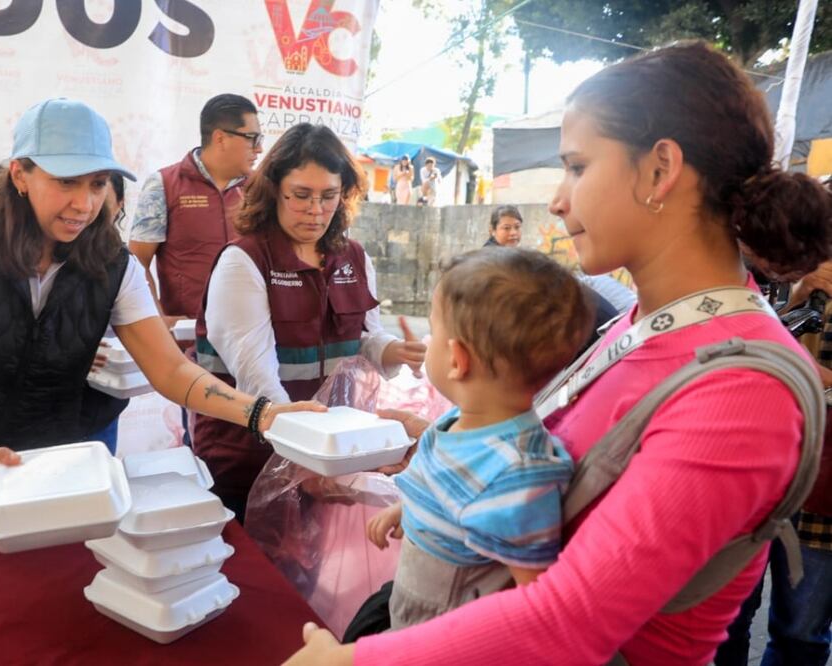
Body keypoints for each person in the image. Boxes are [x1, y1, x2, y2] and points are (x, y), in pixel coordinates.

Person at [282, 42, 832, 666]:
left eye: (576, 166)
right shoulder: (644, 323)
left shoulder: (739, 392)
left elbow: (570, 620)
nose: (559, 200)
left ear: (660, 170)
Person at [0, 98, 320, 519]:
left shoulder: (112, 261)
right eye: (66, 182)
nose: (84, 205)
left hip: (36, 457)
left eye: (97, 183)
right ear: (19, 175)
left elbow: (170, 370)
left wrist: (261, 413)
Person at [193, 123, 427, 520]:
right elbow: (257, 377)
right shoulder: (244, 261)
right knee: (245, 571)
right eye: (301, 195)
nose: (316, 211)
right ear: (274, 190)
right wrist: (304, 456)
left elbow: (365, 336)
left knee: (306, 571)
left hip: (327, 453)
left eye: (328, 196)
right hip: (247, 453)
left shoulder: (353, 257)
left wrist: (392, 350)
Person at [366, 248, 594, 629]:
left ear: (457, 359)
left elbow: (534, 599)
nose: (428, 339)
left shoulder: (516, 476)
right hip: (410, 610)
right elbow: (446, 493)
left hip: (443, 640)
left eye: (434, 331)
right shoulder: (461, 421)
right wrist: (407, 509)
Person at [716, 259, 832, 666]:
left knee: (800, 632)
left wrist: (815, 375)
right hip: (765, 478)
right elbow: (757, 347)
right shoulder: (806, 281)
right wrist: (798, 298)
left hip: (822, 495)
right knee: (728, 620)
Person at [128, 93, 262, 328]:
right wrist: (158, 322)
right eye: (252, 138)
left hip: (249, 335)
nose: (259, 148)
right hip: (186, 340)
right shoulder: (164, 184)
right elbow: (137, 263)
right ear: (220, 138)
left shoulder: (260, 189)